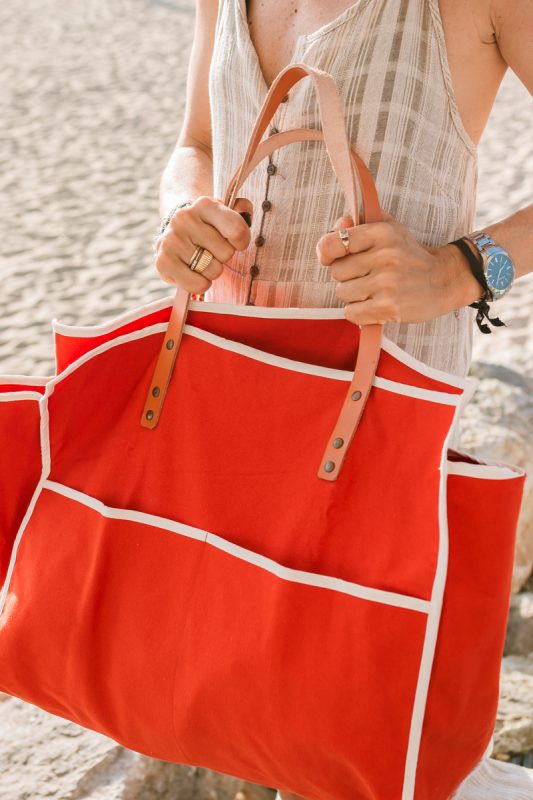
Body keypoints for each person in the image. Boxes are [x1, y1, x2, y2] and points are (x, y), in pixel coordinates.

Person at [154, 0, 533, 797]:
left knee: (373, 734)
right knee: (254, 714)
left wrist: (464, 269)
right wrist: (179, 214)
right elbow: (195, 144)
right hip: (226, 400)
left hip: (384, 415)